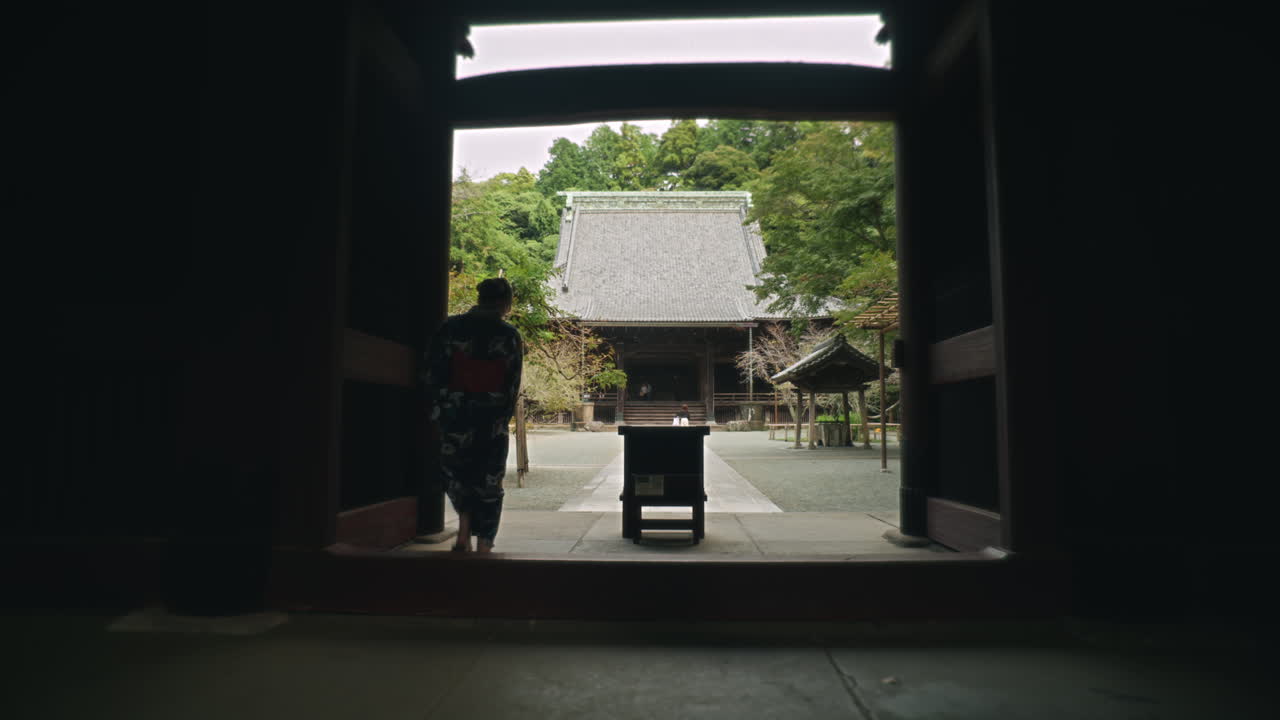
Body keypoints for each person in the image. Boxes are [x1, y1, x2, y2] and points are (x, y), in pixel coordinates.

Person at [423, 277, 523, 553]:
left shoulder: (449, 329)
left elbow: (433, 373)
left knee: (457, 475)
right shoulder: (508, 336)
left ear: (479, 298)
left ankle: (464, 529)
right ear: (506, 303)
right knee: (489, 480)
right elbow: (511, 384)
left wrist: (440, 409)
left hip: (454, 415)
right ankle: (485, 544)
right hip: (490, 419)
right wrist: (502, 417)